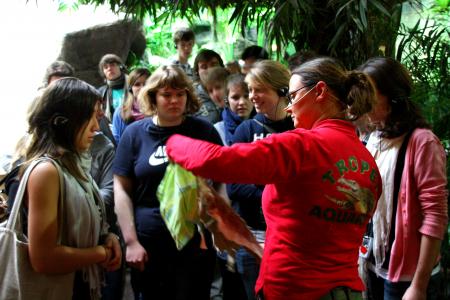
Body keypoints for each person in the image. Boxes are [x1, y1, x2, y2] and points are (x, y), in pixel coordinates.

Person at [164, 57, 382, 300]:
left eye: (293, 96)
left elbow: (218, 161)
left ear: (320, 91)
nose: (289, 107)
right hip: (346, 291)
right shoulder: (367, 162)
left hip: (294, 289)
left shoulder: (302, 146)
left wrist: (171, 141)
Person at [113, 65, 223, 300]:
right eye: (166, 95)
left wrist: (221, 228)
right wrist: (131, 241)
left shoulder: (204, 131)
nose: (174, 100)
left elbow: (221, 181)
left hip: (196, 244)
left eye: (180, 94)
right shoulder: (134, 135)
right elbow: (121, 189)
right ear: (153, 97)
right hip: (149, 245)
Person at [358, 57, 448, 300]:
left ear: (392, 97)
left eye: (370, 93)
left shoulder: (422, 142)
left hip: (408, 277)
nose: (362, 101)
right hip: (372, 264)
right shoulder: (370, 138)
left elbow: (435, 216)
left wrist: (419, 285)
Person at [24, 77, 121, 299]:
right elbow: (43, 258)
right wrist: (98, 252)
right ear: (66, 120)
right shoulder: (46, 171)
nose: (97, 127)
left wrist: (105, 237)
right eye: (90, 118)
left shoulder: (72, 163)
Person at [225, 60, 293, 300]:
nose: (252, 97)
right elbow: (234, 186)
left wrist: (259, 183)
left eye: (258, 89)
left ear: (281, 90)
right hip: (253, 235)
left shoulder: (299, 127)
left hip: (293, 236)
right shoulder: (245, 131)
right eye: (249, 90)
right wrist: (279, 191)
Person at [112, 67, 151, 144]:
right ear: (130, 88)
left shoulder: (159, 110)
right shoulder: (121, 111)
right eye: (137, 84)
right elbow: (117, 141)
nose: (142, 88)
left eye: (146, 84)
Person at [214, 74, 254, 146]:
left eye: (246, 96)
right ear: (227, 100)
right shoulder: (218, 130)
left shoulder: (264, 124)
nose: (241, 102)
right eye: (235, 98)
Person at [193, 49, 225, 124]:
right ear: (197, 73)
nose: (210, 70)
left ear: (222, 67)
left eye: (213, 65)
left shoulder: (233, 89)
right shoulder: (191, 97)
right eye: (204, 67)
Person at [98, 53, 128, 121]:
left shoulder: (133, 86)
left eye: (112, 65)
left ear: (120, 67)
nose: (109, 68)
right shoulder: (101, 92)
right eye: (106, 67)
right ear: (103, 72)